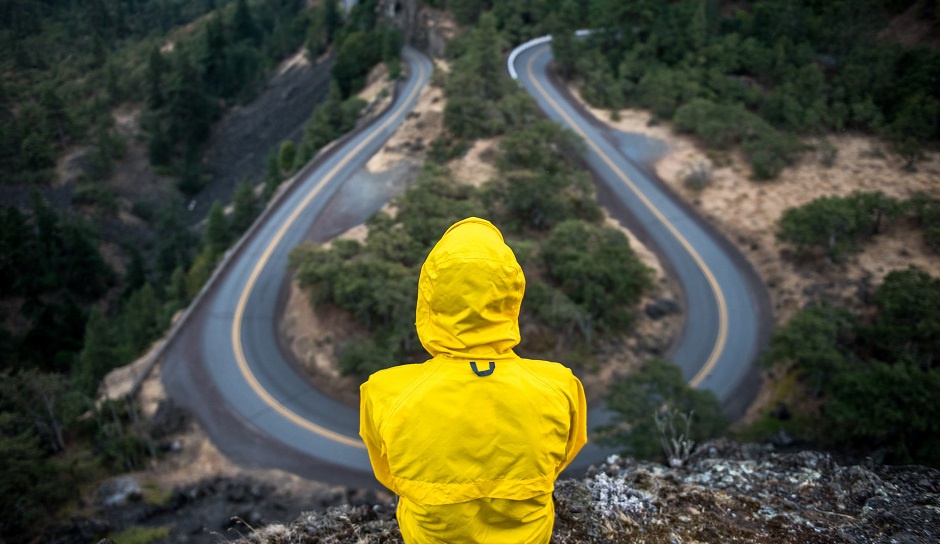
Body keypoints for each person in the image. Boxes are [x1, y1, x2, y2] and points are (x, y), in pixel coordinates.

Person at [360, 217, 587, 544]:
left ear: (429, 299)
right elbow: (562, 456)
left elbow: (389, 473)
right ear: (512, 297)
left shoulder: (384, 391)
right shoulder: (560, 385)